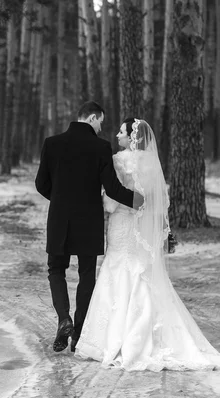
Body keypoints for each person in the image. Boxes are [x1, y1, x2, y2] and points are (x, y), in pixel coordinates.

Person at [74, 118, 220, 371]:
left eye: (122, 132)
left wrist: (106, 202)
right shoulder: (152, 164)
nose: (117, 135)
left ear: (131, 137)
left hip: (122, 223)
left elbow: (113, 199)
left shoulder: (120, 161)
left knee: (116, 270)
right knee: (140, 273)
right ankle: (147, 333)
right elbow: (158, 202)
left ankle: (109, 340)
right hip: (141, 230)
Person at [35, 102, 144, 353]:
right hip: (89, 220)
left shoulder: (52, 144)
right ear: (92, 118)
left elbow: (41, 184)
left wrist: (61, 199)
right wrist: (141, 202)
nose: (101, 127)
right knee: (86, 274)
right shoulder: (101, 147)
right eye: (100, 122)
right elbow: (114, 189)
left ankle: (64, 319)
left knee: (56, 270)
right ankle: (80, 332)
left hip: (60, 219)